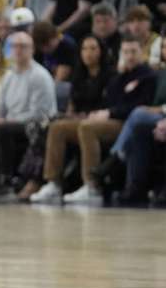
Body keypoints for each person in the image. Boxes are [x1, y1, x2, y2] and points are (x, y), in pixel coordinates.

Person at [32, 38, 157, 204]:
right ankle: (53, 183)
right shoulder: (119, 76)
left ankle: (92, 186)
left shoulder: (147, 75)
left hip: (126, 124)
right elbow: (108, 99)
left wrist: (109, 112)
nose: (130, 56)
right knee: (58, 128)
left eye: (133, 52)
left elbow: (139, 107)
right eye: (126, 52)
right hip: (106, 118)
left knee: (87, 128)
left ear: (142, 52)